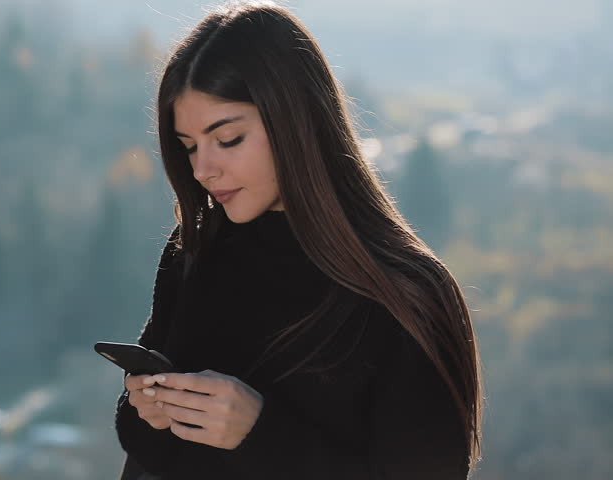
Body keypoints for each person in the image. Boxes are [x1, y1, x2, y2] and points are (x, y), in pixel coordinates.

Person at [113, 1, 483, 478]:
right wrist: (149, 409)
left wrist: (259, 434)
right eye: (189, 147)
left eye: (227, 140)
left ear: (294, 121)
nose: (203, 169)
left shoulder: (404, 295)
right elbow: (146, 453)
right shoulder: (196, 250)